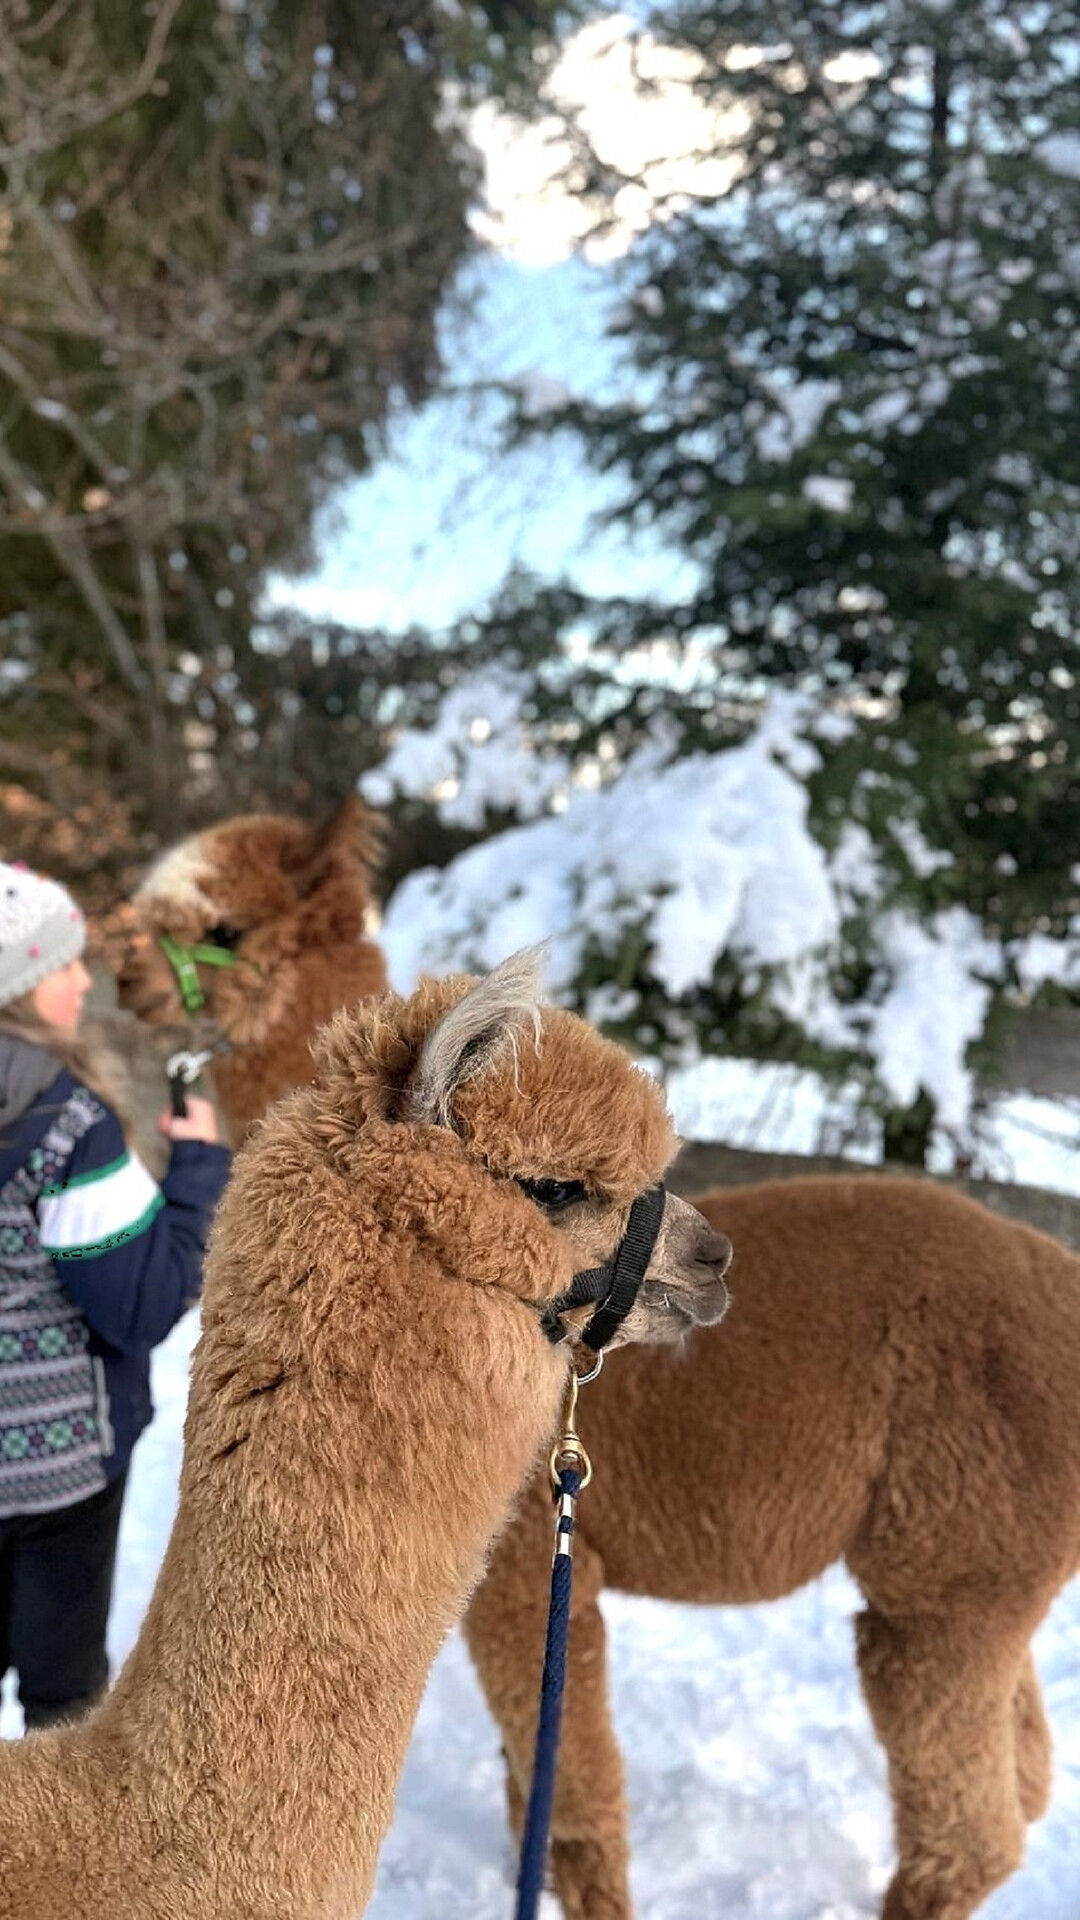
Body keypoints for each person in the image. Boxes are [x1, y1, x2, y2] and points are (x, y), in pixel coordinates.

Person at [0, 859, 230, 1730]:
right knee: (62, 1701)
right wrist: (199, 1166)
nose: (83, 977)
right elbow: (140, 1303)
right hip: (61, 1470)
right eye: (61, 965)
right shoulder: (68, 1130)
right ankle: (45, 1863)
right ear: (19, 990)